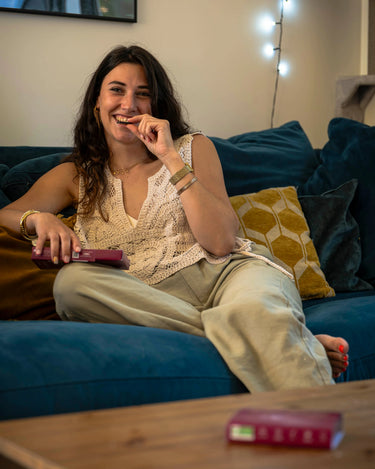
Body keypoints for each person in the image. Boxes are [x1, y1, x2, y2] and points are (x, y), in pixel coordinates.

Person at [0, 45, 349, 390]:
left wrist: (169, 157)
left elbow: (220, 242)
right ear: (96, 103)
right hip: (150, 298)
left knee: (251, 310)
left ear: (156, 105)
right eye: (117, 91)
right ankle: (287, 341)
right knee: (71, 286)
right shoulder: (76, 176)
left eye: (143, 94)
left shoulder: (191, 148)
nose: (129, 104)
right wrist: (37, 219)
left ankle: (277, 348)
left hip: (229, 276)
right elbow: (7, 214)